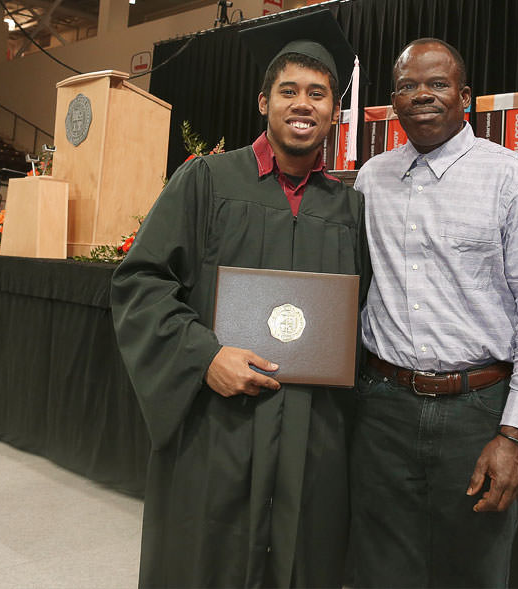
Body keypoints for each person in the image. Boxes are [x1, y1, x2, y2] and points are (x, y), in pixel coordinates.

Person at [111, 11, 369, 589]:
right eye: (289, 91)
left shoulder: (347, 208)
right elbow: (140, 282)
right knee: (208, 558)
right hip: (220, 425)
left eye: (318, 94)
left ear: (333, 111)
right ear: (263, 102)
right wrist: (203, 357)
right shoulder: (206, 181)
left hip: (313, 433)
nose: (303, 104)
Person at [350, 38, 518, 588]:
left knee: (473, 571)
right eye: (406, 85)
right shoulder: (370, 179)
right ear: (391, 101)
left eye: (437, 83)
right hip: (383, 411)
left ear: (464, 96)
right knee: (381, 570)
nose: (421, 94)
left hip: (478, 413)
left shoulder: (515, 180)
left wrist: (514, 437)